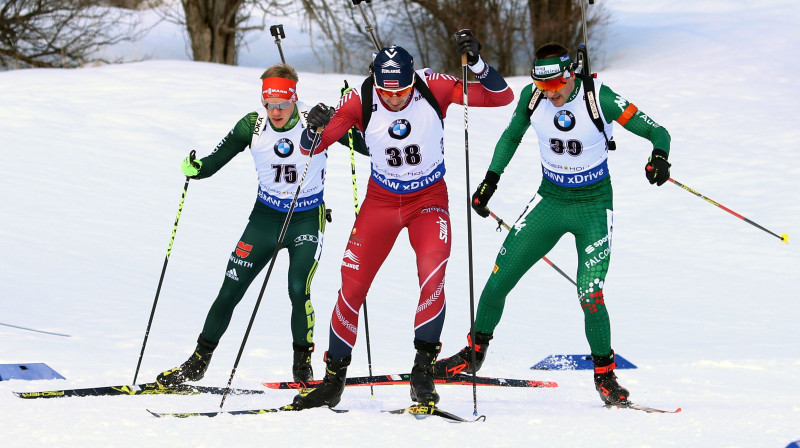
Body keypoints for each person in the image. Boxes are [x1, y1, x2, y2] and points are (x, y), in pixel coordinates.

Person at [433, 42, 672, 406]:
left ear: (570, 74)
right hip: (550, 201)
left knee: (589, 292)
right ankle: (474, 353)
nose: (552, 94)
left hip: (593, 207)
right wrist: (490, 181)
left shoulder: (598, 98)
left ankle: (605, 377)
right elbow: (511, 136)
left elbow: (658, 131)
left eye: (557, 84)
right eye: (544, 87)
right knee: (500, 277)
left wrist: (659, 157)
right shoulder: (533, 97)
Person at [288, 30, 514, 410]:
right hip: (382, 200)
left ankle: (422, 372)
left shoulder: (433, 85)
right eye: (387, 92)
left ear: (413, 80)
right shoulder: (360, 99)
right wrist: (312, 127)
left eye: (402, 91)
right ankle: (333, 380)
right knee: (351, 285)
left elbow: (500, 97)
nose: (394, 99)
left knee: (432, 275)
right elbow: (311, 148)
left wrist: (475, 62)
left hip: (428, 199)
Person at [156, 63, 367, 387]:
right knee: (230, 288)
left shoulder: (317, 121)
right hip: (265, 218)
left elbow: (366, 146)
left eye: (282, 104)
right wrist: (196, 168)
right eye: (269, 104)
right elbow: (214, 160)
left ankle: (302, 363)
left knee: (298, 288)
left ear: (294, 98)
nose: (276, 111)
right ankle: (199, 361)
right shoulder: (251, 126)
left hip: (306, 218)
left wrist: (352, 115)